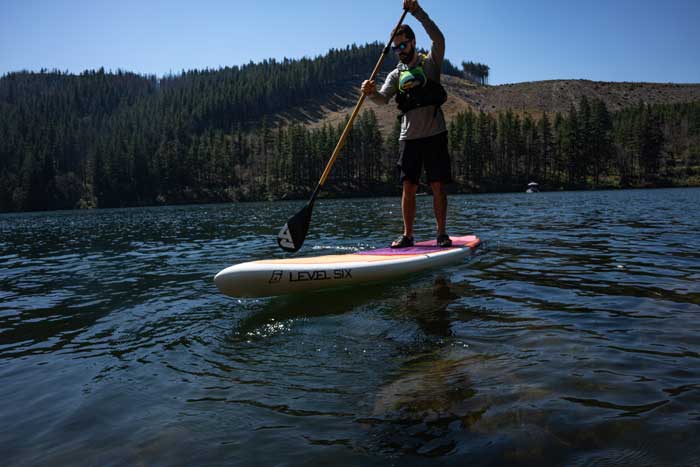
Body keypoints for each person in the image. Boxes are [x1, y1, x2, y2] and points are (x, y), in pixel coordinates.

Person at [362, 0, 452, 248]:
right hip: (408, 138)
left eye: (403, 44)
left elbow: (439, 39)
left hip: (435, 134)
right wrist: (369, 93)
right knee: (408, 187)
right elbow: (382, 100)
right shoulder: (395, 75)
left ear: (412, 42)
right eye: (396, 47)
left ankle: (442, 234)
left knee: (437, 185)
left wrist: (417, 12)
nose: (400, 50)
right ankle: (408, 235)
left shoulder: (430, 64)